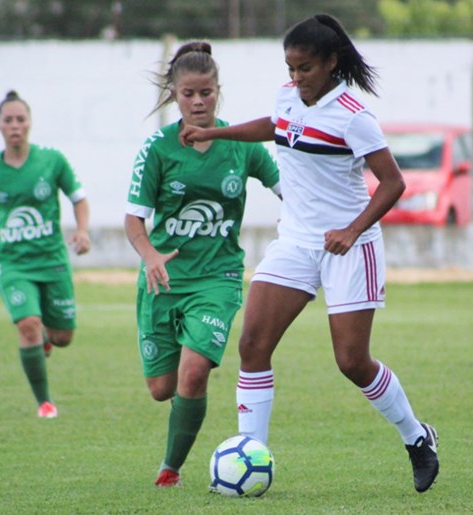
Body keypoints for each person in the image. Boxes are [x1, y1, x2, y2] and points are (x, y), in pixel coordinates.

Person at [180, 14, 440, 493]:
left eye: (304, 69)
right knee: (253, 344)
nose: (296, 78)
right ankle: (250, 457)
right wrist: (215, 133)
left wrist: (352, 228)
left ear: (330, 63)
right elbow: (275, 127)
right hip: (296, 241)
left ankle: (417, 436)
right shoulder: (289, 97)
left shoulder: (352, 116)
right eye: (290, 67)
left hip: (350, 246)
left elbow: (394, 182)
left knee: (351, 362)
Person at [124, 42, 281, 488]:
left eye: (206, 93)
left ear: (218, 91)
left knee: (193, 374)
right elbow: (133, 218)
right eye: (189, 93)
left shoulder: (241, 146)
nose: (198, 102)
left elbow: (285, 185)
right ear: (175, 94)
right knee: (162, 390)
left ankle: (169, 469)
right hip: (164, 278)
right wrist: (151, 255)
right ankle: (177, 437)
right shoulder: (157, 149)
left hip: (218, 277)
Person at [0, 90, 91, 419]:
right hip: (11, 264)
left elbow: (79, 199)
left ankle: (47, 339)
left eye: (20, 119)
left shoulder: (52, 161)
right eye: (8, 120)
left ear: (30, 123)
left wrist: (82, 231)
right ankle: (45, 402)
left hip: (52, 260)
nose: (15, 125)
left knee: (63, 337)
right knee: (27, 324)